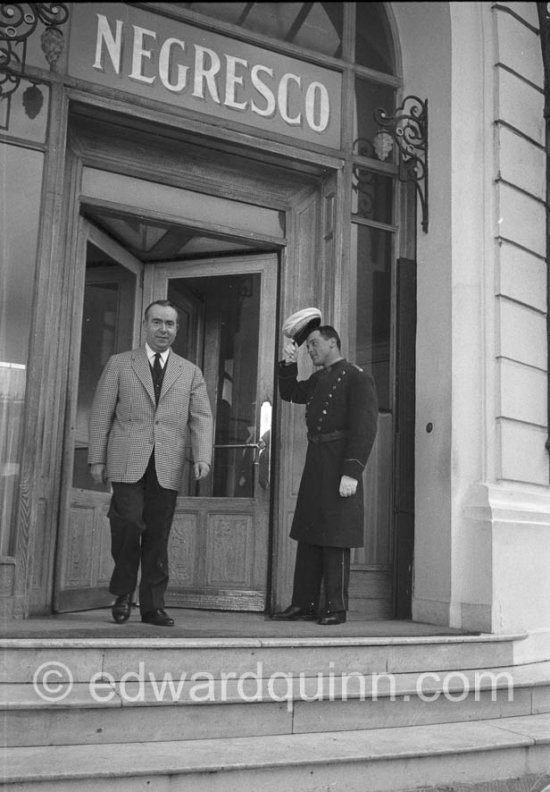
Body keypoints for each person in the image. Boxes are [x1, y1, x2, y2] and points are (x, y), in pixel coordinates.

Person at [88, 300, 213, 627]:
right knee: (128, 523)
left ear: (177, 329)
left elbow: (201, 417)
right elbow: (102, 413)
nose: (163, 330)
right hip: (127, 459)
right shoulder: (120, 364)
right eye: (157, 322)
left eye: (170, 324)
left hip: (168, 463)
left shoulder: (190, 371)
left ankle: (152, 606)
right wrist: (96, 458)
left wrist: (202, 456)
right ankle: (122, 593)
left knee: (158, 533)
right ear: (145, 325)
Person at [273, 321, 378, 626]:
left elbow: (365, 428)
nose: (311, 350)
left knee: (335, 536)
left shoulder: (357, 378)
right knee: (309, 533)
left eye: (314, 345)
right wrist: (288, 361)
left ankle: (336, 606)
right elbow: (290, 392)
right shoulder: (320, 379)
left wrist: (352, 472)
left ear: (333, 343)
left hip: (340, 462)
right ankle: (302, 604)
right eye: (307, 347)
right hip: (317, 460)